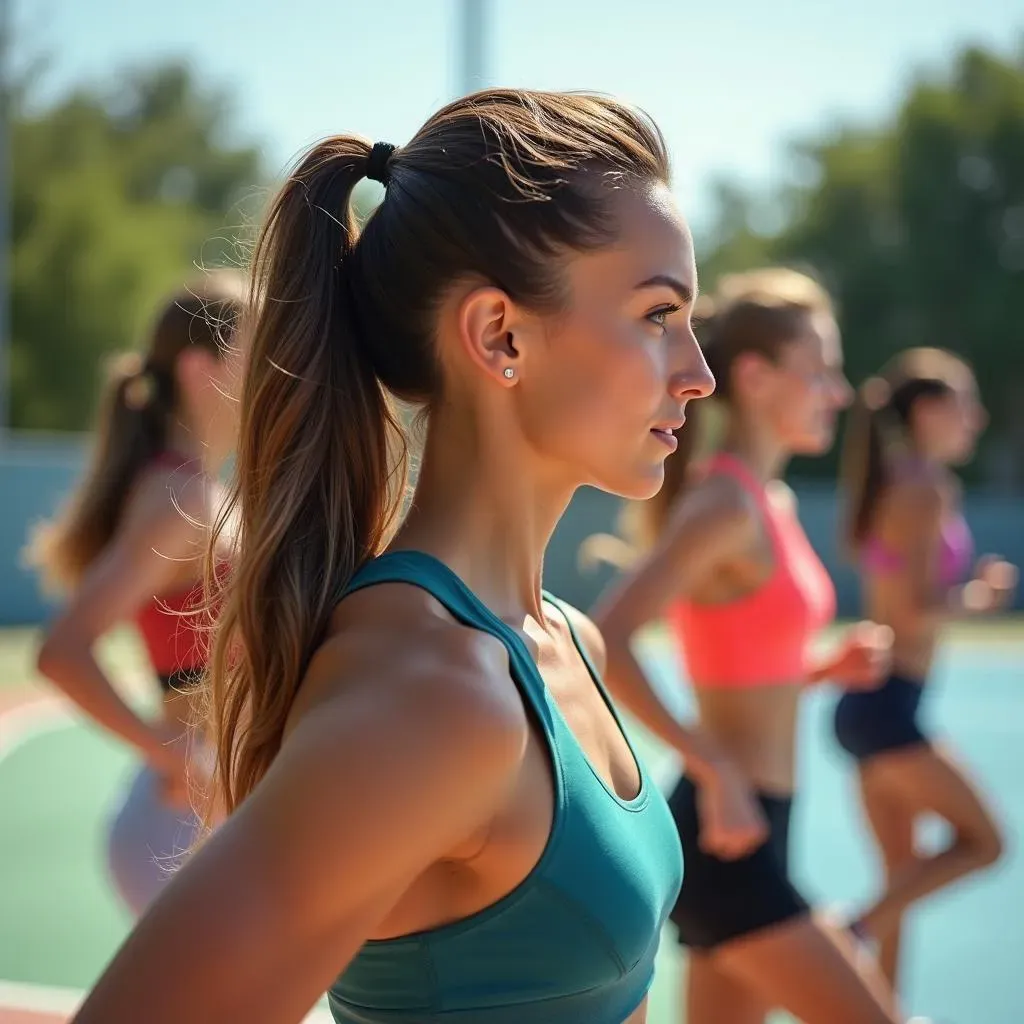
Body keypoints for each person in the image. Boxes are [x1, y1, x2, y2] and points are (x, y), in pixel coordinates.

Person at [69, 88, 713, 1024]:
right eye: (659, 314)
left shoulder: (566, 643)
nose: (697, 370)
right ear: (499, 335)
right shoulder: (435, 693)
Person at [590, 268, 908, 1024]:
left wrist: (819, 668)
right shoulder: (725, 503)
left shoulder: (770, 500)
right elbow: (611, 638)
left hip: (758, 819)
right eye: (821, 370)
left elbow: (744, 660)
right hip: (725, 828)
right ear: (758, 377)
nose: (838, 391)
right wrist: (715, 765)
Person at [29, 270, 245, 916]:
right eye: (258, 356)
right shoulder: (180, 499)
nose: (278, 373)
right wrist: (177, 756)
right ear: (201, 371)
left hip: (214, 828)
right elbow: (61, 652)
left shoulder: (203, 492)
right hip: (181, 833)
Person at [834, 347, 1013, 990]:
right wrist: (979, 598)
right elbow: (910, 614)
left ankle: (882, 1009)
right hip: (888, 706)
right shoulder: (925, 487)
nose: (978, 416)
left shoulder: (898, 481)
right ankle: (844, 933)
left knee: (901, 881)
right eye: (967, 403)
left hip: (875, 704)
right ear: (932, 411)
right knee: (986, 842)